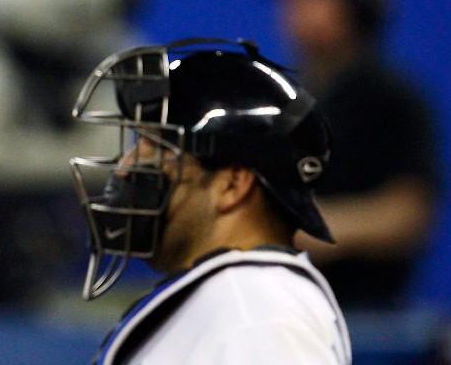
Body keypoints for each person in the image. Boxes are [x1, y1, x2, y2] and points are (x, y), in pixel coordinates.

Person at [69, 38, 351, 364]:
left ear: (232, 184)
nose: (125, 167)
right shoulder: (238, 300)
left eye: (155, 146)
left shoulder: (261, 315)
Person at [271, 0, 440, 309]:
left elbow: (408, 214)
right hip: (282, 306)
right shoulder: (280, 96)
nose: (295, 9)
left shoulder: (392, 98)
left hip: (365, 311)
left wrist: (304, 228)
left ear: (356, 5)